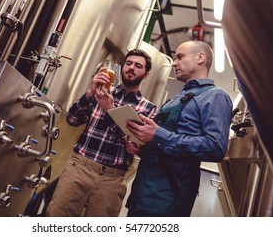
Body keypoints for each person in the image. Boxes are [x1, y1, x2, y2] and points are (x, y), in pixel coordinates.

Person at [125, 41, 233, 217]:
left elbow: (216, 148)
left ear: (200, 58)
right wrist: (142, 148)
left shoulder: (215, 96)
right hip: (143, 192)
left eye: (180, 57)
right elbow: (164, 144)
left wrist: (157, 133)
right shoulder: (177, 98)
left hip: (170, 197)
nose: (174, 63)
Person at [46, 49, 157, 217]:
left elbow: (134, 142)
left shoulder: (148, 108)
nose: (131, 68)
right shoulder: (102, 91)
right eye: (128, 63)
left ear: (146, 74)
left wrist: (110, 110)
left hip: (112, 179)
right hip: (81, 167)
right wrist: (90, 92)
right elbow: (72, 120)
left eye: (138, 66)